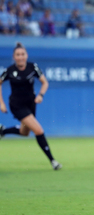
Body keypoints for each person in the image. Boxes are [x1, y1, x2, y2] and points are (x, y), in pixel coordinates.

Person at [0, 42, 62, 170]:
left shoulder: (33, 67)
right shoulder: (10, 71)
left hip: (31, 104)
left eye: (22, 54)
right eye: (17, 54)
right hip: (17, 105)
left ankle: (3, 131)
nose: (20, 57)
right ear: (14, 57)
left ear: (26, 55)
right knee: (38, 130)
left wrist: (41, 95)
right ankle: (53, 161)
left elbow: (45, 82)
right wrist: (1, 103)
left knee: (25, 132)